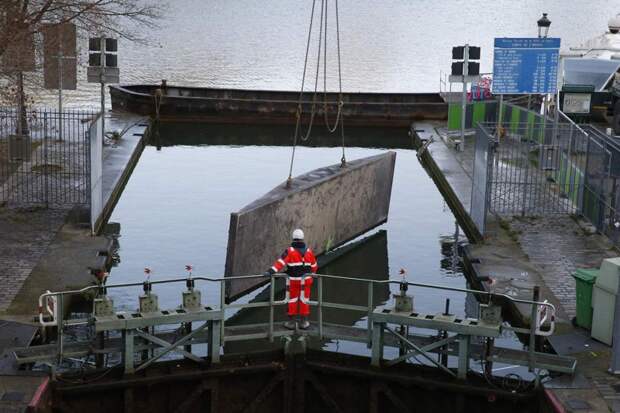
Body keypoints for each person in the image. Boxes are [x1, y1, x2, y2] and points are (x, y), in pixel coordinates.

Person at [264, 228, 318, 329]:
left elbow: (280, 263)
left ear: (293, 238)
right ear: (302, 239)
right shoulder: (309, 251)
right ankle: (304, 323)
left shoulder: (289, 251)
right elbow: (314, 266)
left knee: (292, 300)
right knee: (304, 300)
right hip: (306, 281)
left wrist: (270, 272)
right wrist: (312, 275)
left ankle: (291, 323)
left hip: (294, 282)